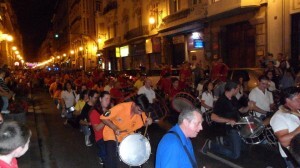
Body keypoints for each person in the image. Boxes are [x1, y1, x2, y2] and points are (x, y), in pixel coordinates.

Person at [201, 81, 254, 159]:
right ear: (233, 89)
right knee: (235, 155)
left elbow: (242, 110)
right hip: (228, 129)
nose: (238, 91)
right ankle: (211, 144)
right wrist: (228, 120)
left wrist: (248, 107)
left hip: (236, 126)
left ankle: (225, 140)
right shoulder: (221, 101)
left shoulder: (233, 98)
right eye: (237, 89)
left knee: (244, 148)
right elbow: (213, 117)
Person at [100, 94, 153, 168]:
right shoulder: (120, 107)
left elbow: (144, 123)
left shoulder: (141, 113)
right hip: (112, 134)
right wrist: (115, 128)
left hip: (127, 136)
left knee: (133, 159)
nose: (141, 113)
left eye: (142, 111)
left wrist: (148, 122)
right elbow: (103, 117)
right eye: (139, 110)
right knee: (111, 160)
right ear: (134, 104)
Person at [270, 87, 300, 167]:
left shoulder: (297, 109)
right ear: (287, 100)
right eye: (298, 99)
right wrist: (298, 130)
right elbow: (284, 141)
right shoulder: (279, 117)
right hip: (294, 157)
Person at [89, 91, 111, 166]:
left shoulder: (109, 110)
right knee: (106, 157)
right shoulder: (94, 112)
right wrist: (106, 120)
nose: (108, 101)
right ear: (100, 99)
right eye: (106, 99)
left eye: (109, 99)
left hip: (110, 135)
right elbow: (97, 128)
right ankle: (102, 156)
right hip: (101, 137)